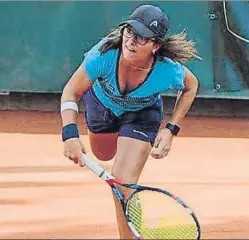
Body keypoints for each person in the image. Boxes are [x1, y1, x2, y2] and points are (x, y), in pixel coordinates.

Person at [60, 4, 199, 239]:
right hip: (102, 109)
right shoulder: (103, 55)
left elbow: (191, 86)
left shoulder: (168, 70)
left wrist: (170, 129)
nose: (131, 41)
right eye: (130, 32)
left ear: (155, 46)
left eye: (142, 38)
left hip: (141, 115)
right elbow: (70, 92)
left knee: (123, 184)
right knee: (103, 154)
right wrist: (70, 134)